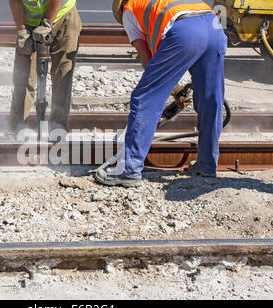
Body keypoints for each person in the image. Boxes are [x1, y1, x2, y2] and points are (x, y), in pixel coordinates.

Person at [95, 0, 227, 187]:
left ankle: (129, 171)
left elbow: (147, 57)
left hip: (186, 31)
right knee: (210, 100)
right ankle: (207, 166)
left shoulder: (129, 10)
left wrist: (171, 89)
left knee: (145, 98)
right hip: (215, 28)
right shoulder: (160, 3)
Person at [7, 0, 82, 139]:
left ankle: (58, 130)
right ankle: (17, 128)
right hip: (30, 22)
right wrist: (22, 31)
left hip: (63, 14)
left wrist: (47, 23)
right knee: (23, 77)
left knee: (62, 75)